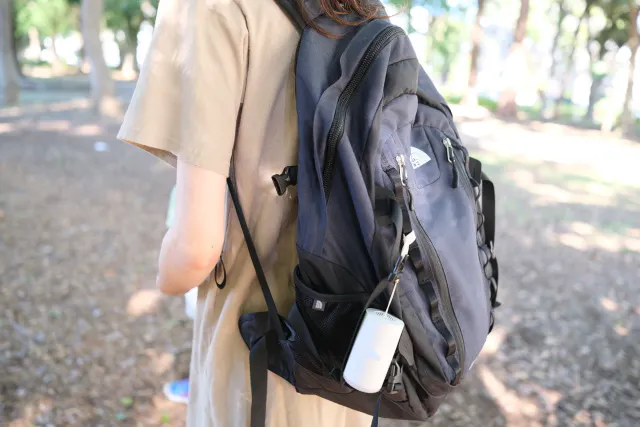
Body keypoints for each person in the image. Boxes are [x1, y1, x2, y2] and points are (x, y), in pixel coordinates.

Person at [117, 0, 379, 425]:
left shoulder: (208, 6)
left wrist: (165, 276)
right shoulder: (361, 8)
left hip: (258, 361)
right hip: (353, 355)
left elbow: (196, 250)